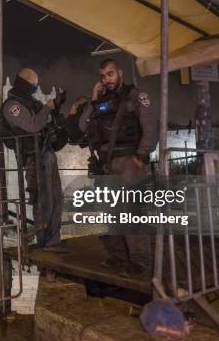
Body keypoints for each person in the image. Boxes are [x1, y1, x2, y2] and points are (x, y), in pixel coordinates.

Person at [79, 59, 159, 276]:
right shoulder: (101, 101)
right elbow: (82, 125)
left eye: (111, 74)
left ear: (120, 73)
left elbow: (151, 126)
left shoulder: (136, 96)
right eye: (103, 76)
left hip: (129, 164)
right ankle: (120, 258)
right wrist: (94, 97)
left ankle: (140, 262)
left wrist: (141, 156)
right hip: (106, 165)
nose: (107, 79)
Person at [0, 68, 67, 253]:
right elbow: (33, 125)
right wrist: (48, 108)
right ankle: (44, 241)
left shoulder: (31, 103)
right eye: (33, 86)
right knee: (43, 200)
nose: (35, 89)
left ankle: (53, 240)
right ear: (24, 84)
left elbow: (46, 122)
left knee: (56, 199)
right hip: (32, 159)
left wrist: (57, 106)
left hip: (46, 154)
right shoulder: (12, 106)